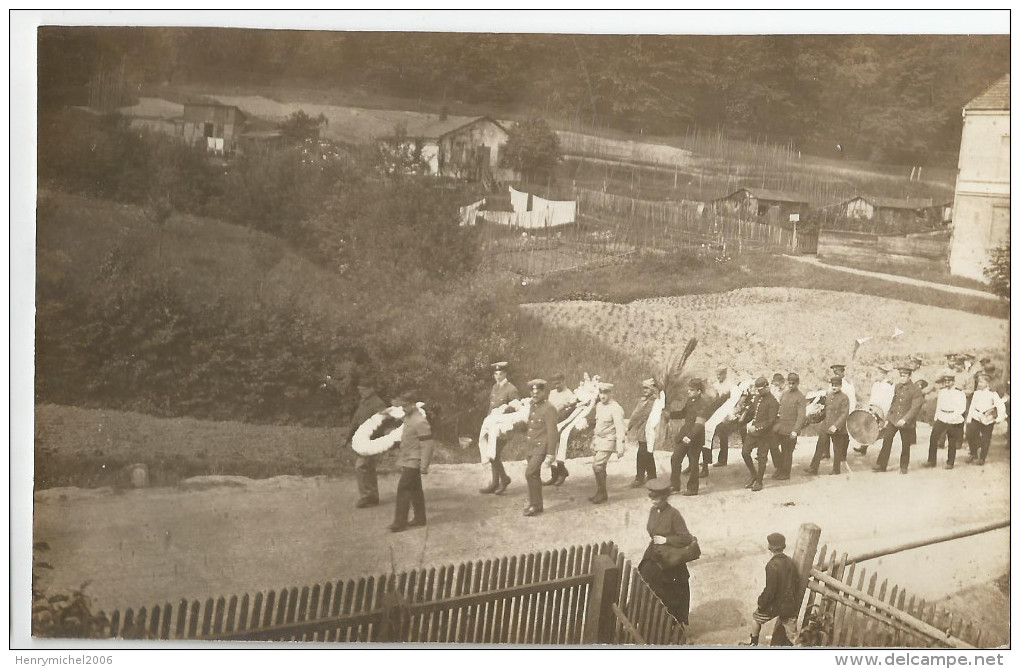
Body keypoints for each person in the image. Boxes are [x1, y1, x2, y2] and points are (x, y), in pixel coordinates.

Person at [638, 478, 695, 627]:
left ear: (665, 497)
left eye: (657, 498)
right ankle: (652, 622)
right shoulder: (653, 510)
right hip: (654, 556)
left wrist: (666, 540)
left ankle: (673, 627)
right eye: (651, 498)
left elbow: (686, 538)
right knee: (648, 587)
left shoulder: (674, 514)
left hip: (670, 562)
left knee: (671, 595)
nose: (654, 501)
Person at [388, 391, 434, 533]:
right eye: (402, 406)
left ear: (414, 405)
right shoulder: (408, 418)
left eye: (406, 406)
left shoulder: (420, 421)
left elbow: (428, 444)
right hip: (407, 459)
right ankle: (420, 518)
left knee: (403, 489)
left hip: (414, 461)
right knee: (415, 490)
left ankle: (400, 522)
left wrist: (424, 465)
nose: (403, 409)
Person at [744, 532, 800, 646]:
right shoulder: (790, 562)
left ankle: (753, 644)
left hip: (775, 606)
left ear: (770, 547)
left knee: (756, 618)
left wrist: (761, 602)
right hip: (789, 605)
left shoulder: (772, 565)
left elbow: (770, 590)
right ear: (783, 546)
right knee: (793, 635)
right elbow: (796, 582)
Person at [343, 379, 387, 508]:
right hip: (363, 439)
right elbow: (355, 420)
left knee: (361, 466)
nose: (360, 392)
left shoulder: (378, 404)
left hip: (371, 440)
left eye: (362, 390)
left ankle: (367, 496)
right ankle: (373, 495)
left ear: (371, 388)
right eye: (359, 390)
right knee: (368, 467)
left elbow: (383, 422)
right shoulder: (364, 402)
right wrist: (347, 438)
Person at [873, 364, 924, 474]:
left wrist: (905, 419)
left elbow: (915, 407)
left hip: (906, 421)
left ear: (910, 376)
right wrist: (888, 418)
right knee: (887, 439)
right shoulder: (897, 386)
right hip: (894, 418)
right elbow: (894, 403)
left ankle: (904, 466)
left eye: (905, 376)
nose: (902, 378)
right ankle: (882, 465)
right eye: (901, 376)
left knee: (905, 444)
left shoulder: (915, 389)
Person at [522, 379, 561, 517]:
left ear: (543, 392)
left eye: (538, 392)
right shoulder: (533, 405)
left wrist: (551, 454)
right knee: (535, 475)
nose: (535, 395)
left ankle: (536, 505)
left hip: (541, 447)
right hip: (531, 446)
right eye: (532, 393)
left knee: (530, 473)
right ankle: (535, 504)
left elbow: (552, 432)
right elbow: (531, 426)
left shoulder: (549, 408)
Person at [481, 361, 519, 495]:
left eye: (500, 373)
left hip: (503, 428)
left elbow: (516, 410)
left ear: (505, 373)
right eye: (495, 374)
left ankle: (504, 479)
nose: (497, 376)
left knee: (494, 455)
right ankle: (495, 482)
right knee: (492, 454)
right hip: (492, 427)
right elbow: (491, 408)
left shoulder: (511, 389)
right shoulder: (494, 387)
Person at [670, 378, 711, 496]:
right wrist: (670, 414)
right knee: (675, 458)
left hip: (695, 437)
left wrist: (690, 436)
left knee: (693, 463)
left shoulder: (703, 404)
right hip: (684, 435)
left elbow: (699, 423)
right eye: (689, 389)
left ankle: (693, 488)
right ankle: (674, 485)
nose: (689, 391)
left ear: (699, 391)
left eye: (692, 390)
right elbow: (683, 413)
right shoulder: (690, 400)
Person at [589, 382, 626, 504]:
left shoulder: (616, 408)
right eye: (601, 393)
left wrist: (620, 447)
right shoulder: (599, 405)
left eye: (606, 393)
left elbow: (620, 428)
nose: (603, 396)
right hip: (599, 440)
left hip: (609, 440)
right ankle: (602, 493)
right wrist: (593, 441)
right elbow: (598, 425)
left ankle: (602, 492)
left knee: (597, 465)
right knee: (601, 467)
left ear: (611, 393)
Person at [742, 376, 780, 492]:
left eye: (760, 389)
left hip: (765, 434)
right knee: (745, 452)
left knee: (762, 458)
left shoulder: (773, 402)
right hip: (753, 431)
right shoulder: (757, 397)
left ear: (767, 387)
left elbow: (770, 421)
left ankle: (759, 481)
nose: (758, 391)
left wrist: (757, 428)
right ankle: (753, 474)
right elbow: (754, 411)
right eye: (757, 389)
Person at [807, 377, 851, 475]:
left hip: (837, 428)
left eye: (836, 385)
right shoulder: (829, 395)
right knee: (819, 447)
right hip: (826, 425)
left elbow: (844, 414)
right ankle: (813, 468)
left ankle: (836, 470)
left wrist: (836, 426)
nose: (834, 387)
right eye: (833, 385)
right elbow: (826, 410)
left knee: (837, 449)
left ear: (840, 386)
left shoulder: (844, 397)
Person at [925, 372, 967, 469]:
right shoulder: (942, 392)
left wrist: (953, 417)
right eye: (945, 381)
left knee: (952, 440)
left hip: (953, 417)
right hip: (942, 416)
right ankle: (931, 461)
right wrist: (936, 417)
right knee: (934, 437)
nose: (947, 383)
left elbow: (962, 408)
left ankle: (950, 462)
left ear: (953, 382)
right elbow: (939, 405)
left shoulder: (959, 393)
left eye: (949, 381)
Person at [965, 372, 1007, 465]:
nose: (979, 384)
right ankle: (973, 453)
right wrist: (969, 418)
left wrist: (999, 418)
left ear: (987, 383)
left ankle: (982, 458)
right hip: (976, 416)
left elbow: (1000, 406)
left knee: (986, 438)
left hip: (988, 419)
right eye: (978, 382)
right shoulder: (976, 393)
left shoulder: (993, 394)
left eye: (981, 382)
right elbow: (972, 406)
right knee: (970, 434)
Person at [854, 365, 896, 455]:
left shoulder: (889, 385)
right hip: (873, 409)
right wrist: (869, 407)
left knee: (881, 431)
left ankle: (881, 450)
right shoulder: (876, 384)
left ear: (885, 374)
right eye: (877, 373)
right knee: (869, 426)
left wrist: (885, 413)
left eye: (880, 373)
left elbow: (889, 400)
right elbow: (873, 398)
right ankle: (864, 446)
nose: (877, 375)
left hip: (883, 411)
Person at [772, 372, 807, 480]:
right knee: (773, 446)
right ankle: (779, 467)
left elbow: (801, 416)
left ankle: (785, 473)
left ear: (797, 383)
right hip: (781, 427)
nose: (791, 385)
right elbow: (779, 408)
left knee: (787, 452)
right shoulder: (785, 394)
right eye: (789, 383)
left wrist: (795, 430)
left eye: (793, 383)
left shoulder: (800, 397)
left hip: (791, 429)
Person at [627, 378, 660, 488]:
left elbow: (641, 415)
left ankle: (639, 477)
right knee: (646, 451)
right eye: (643, 388)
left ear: (652, 389)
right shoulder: (645, 400)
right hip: (643, 429)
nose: (644, 390)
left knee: (642, 452)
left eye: (647, 388)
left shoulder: (653, 401)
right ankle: (652, 474)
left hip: (649, 429)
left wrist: (629, 425)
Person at [546, 373, 577, 487]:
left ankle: (561, 473)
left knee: (557, 448)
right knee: (549, 448)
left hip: (563, 423)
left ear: (564, 381)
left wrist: (563, 408)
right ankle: (554, 475)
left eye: (559, 383)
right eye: (554, 384)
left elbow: (570, 412)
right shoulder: (552, 393)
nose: (557, 386)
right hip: (551, 422)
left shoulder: (569, 394)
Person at [710, 366, 742, 468]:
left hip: (726, 412)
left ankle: (723, 459)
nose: (719, 376)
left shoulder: (730, 386)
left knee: (723, 435)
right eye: (717, 374)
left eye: (721, 374)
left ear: (725, 374)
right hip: (716, 411)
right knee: (709, 433)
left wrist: (729, 414)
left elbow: (733, 400)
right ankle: (708, 458)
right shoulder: (715, 385)